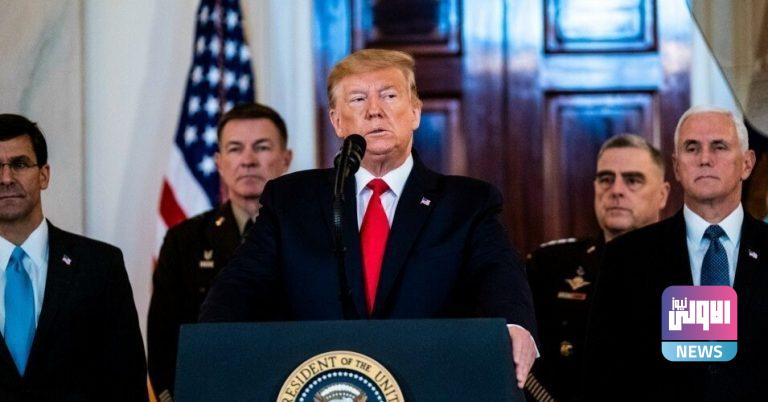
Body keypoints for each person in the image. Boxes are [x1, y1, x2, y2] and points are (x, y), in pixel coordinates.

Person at [199, 49, 538, 388]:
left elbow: (499, 272)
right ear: (337, 121)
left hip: (431, 382)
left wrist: (515, 326)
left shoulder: (466, 203)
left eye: (389, 96)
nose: (374, 110)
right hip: (322, 386)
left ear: (415, 112)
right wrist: (210, 347)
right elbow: (240, 283)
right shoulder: (290, 201)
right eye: (358, 99)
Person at [585, 106, 768, 401]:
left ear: (747, 164)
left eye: (719, 147)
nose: (704, 159)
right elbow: (603, 375)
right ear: (677, 166)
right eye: (691, 148)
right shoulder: (625, 257)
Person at [147, 103, 292, 400]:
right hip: (210, 390)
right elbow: (163, 336)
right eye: (235, 149)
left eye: (262, 147)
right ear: (219, 162)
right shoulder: (184, 240)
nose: (248, 161)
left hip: (289, 386)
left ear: (286, 159)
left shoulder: (312, 234)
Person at [0, 114, 147, 401]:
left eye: (19, 164)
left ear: (44, 175)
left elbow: (127, 383)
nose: (6, 178)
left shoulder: (101, 266)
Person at [525, 134, 669, 402]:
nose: (616, 190)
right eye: (605, 179)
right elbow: (520, 358)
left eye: (633, 180)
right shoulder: (549, 266)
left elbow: (708, 367)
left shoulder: (694, 269)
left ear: (662, 194)